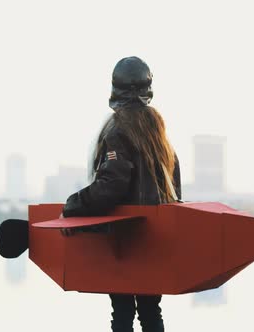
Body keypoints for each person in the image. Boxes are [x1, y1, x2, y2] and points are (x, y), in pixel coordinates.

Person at [59, 56, 182, 332]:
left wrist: (72, 207)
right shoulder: (159, 134)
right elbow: (174, 188)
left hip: (123, 240)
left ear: (115, 88)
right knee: (151, 311)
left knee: (122, 311)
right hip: (153, 240)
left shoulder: (117, 130)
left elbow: (110, 186)